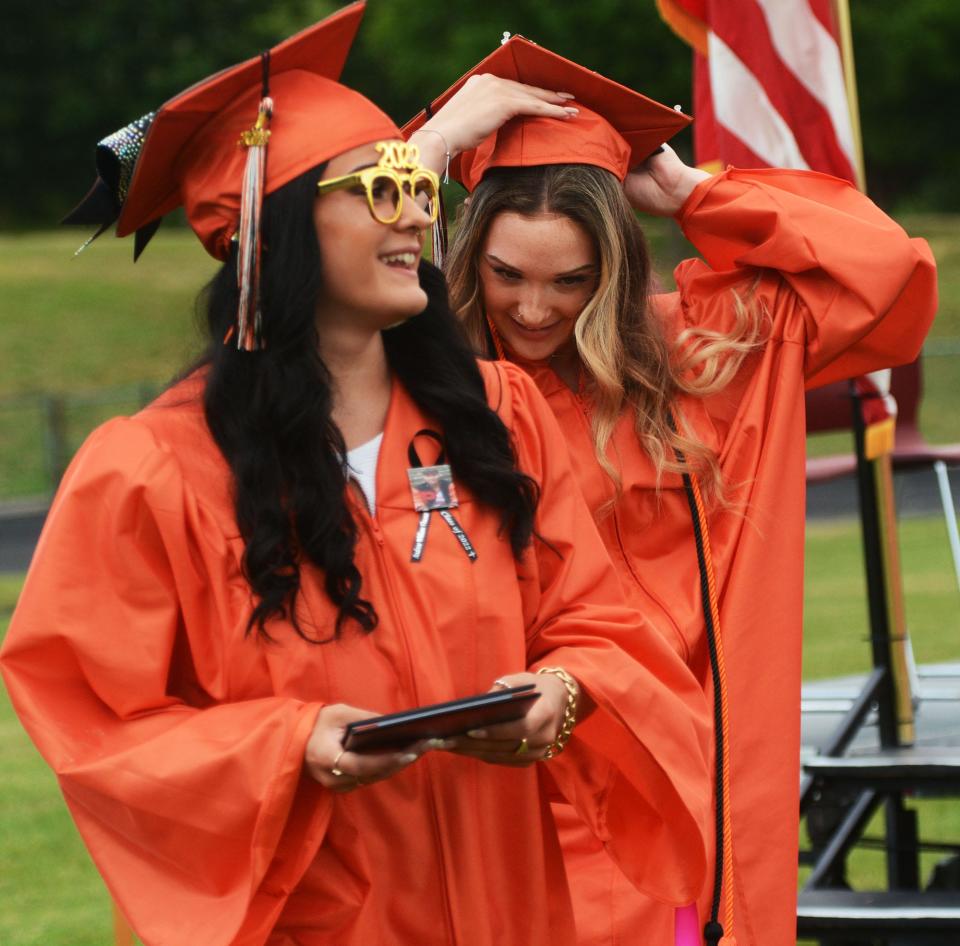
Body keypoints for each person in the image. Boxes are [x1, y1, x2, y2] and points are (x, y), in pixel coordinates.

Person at [0, 7, 714, 946]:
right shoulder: (151, 472)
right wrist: (287, 745)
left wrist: (566, 691)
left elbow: (596, 620)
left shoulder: (493, 416)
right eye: (381, 186)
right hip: (317, 919)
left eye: (417, 185)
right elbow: (92, 719)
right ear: (279, 228)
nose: (418, 209)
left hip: (508, 908)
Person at [406, 35, 939, 946]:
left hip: (663, 782)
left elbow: (886, 278)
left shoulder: (696, 353)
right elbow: (290, 295)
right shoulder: (422, 374)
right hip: (488, 781)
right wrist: (430, 147)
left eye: (571, 282)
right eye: (507, 277)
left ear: (613, 267)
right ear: (467, 257)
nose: (535, 311)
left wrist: (694, 192)